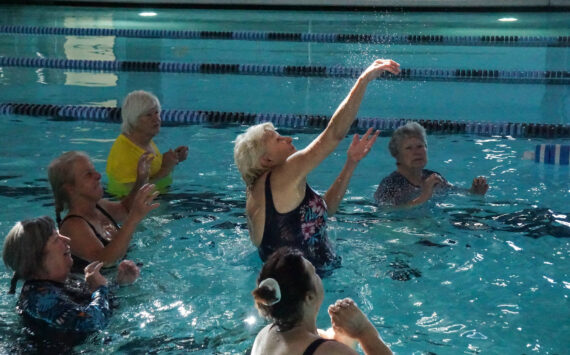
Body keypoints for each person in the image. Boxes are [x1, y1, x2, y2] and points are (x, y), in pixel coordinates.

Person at [234, 59, 401, 271]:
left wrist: (351, 163)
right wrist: (363, 80)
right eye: (278, 139)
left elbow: (325, 211)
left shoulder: (264, 187)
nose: (289, 139)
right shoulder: (282, 174)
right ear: (266, 160)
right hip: (305, 286)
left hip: (294, 283)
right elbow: (333, 135)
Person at [2, 216, 139, 336]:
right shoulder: (37, 298)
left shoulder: (67, 280)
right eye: (56, 239)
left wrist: (120, 283)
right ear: (38, 259)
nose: (67, 239)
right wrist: (100, 289)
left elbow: (92, 303)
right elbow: (92, 323)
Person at [251, 247, 392, 355]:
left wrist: (341, 335)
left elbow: (317, 343)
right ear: (309, 297)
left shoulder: (264, 335)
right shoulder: (329, 351)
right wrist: (363, 330)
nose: (318, 275)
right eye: (314, 273)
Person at [48, 151, 158, 274]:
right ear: (70, 188)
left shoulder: (99, 207)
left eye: (93, 170)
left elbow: (126, 210)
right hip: (103, 291)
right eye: (88, 174)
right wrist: (134, 218)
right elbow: (105, 261)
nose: (98, 175)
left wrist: (141, 179)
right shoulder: (73, 226)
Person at [374, 122, 489, 207]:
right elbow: (385, 212)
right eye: (409, 148)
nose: (417, 152)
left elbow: (454, 192)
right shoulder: (390, 185)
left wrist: (474, 192)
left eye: (420, 146)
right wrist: (424, 196)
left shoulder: (432, 177)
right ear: (398, 155)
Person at [106, 90, 189, 196]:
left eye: (156, 112)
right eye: (148, 115)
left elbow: (152, 169)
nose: (156, 119)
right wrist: (166, 168)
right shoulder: (125, 152)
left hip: (159, 196)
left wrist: (173, 159)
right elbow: (134, 194)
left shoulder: (144, 140)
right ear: (134, 119)